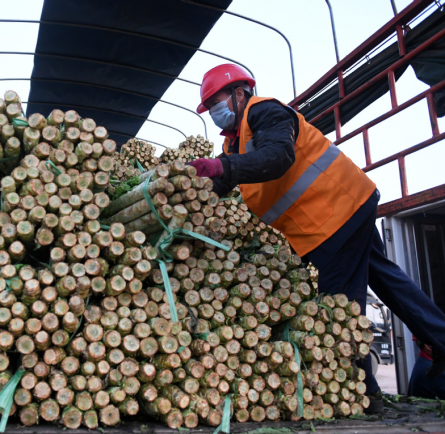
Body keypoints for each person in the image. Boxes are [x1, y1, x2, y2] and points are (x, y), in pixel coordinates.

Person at [189, 63, 445, 412]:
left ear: (239, 93)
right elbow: (223, 178)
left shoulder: (265, 112)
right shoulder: (236, 145)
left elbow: (277, 157)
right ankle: (441, 341)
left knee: (340, 306)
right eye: (209, 107)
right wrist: (192, 186)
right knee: (387, 280)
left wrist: (223, 168)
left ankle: (363, 394)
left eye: (216, 101)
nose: (214, 112)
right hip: (345, 207)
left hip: (334, 217)